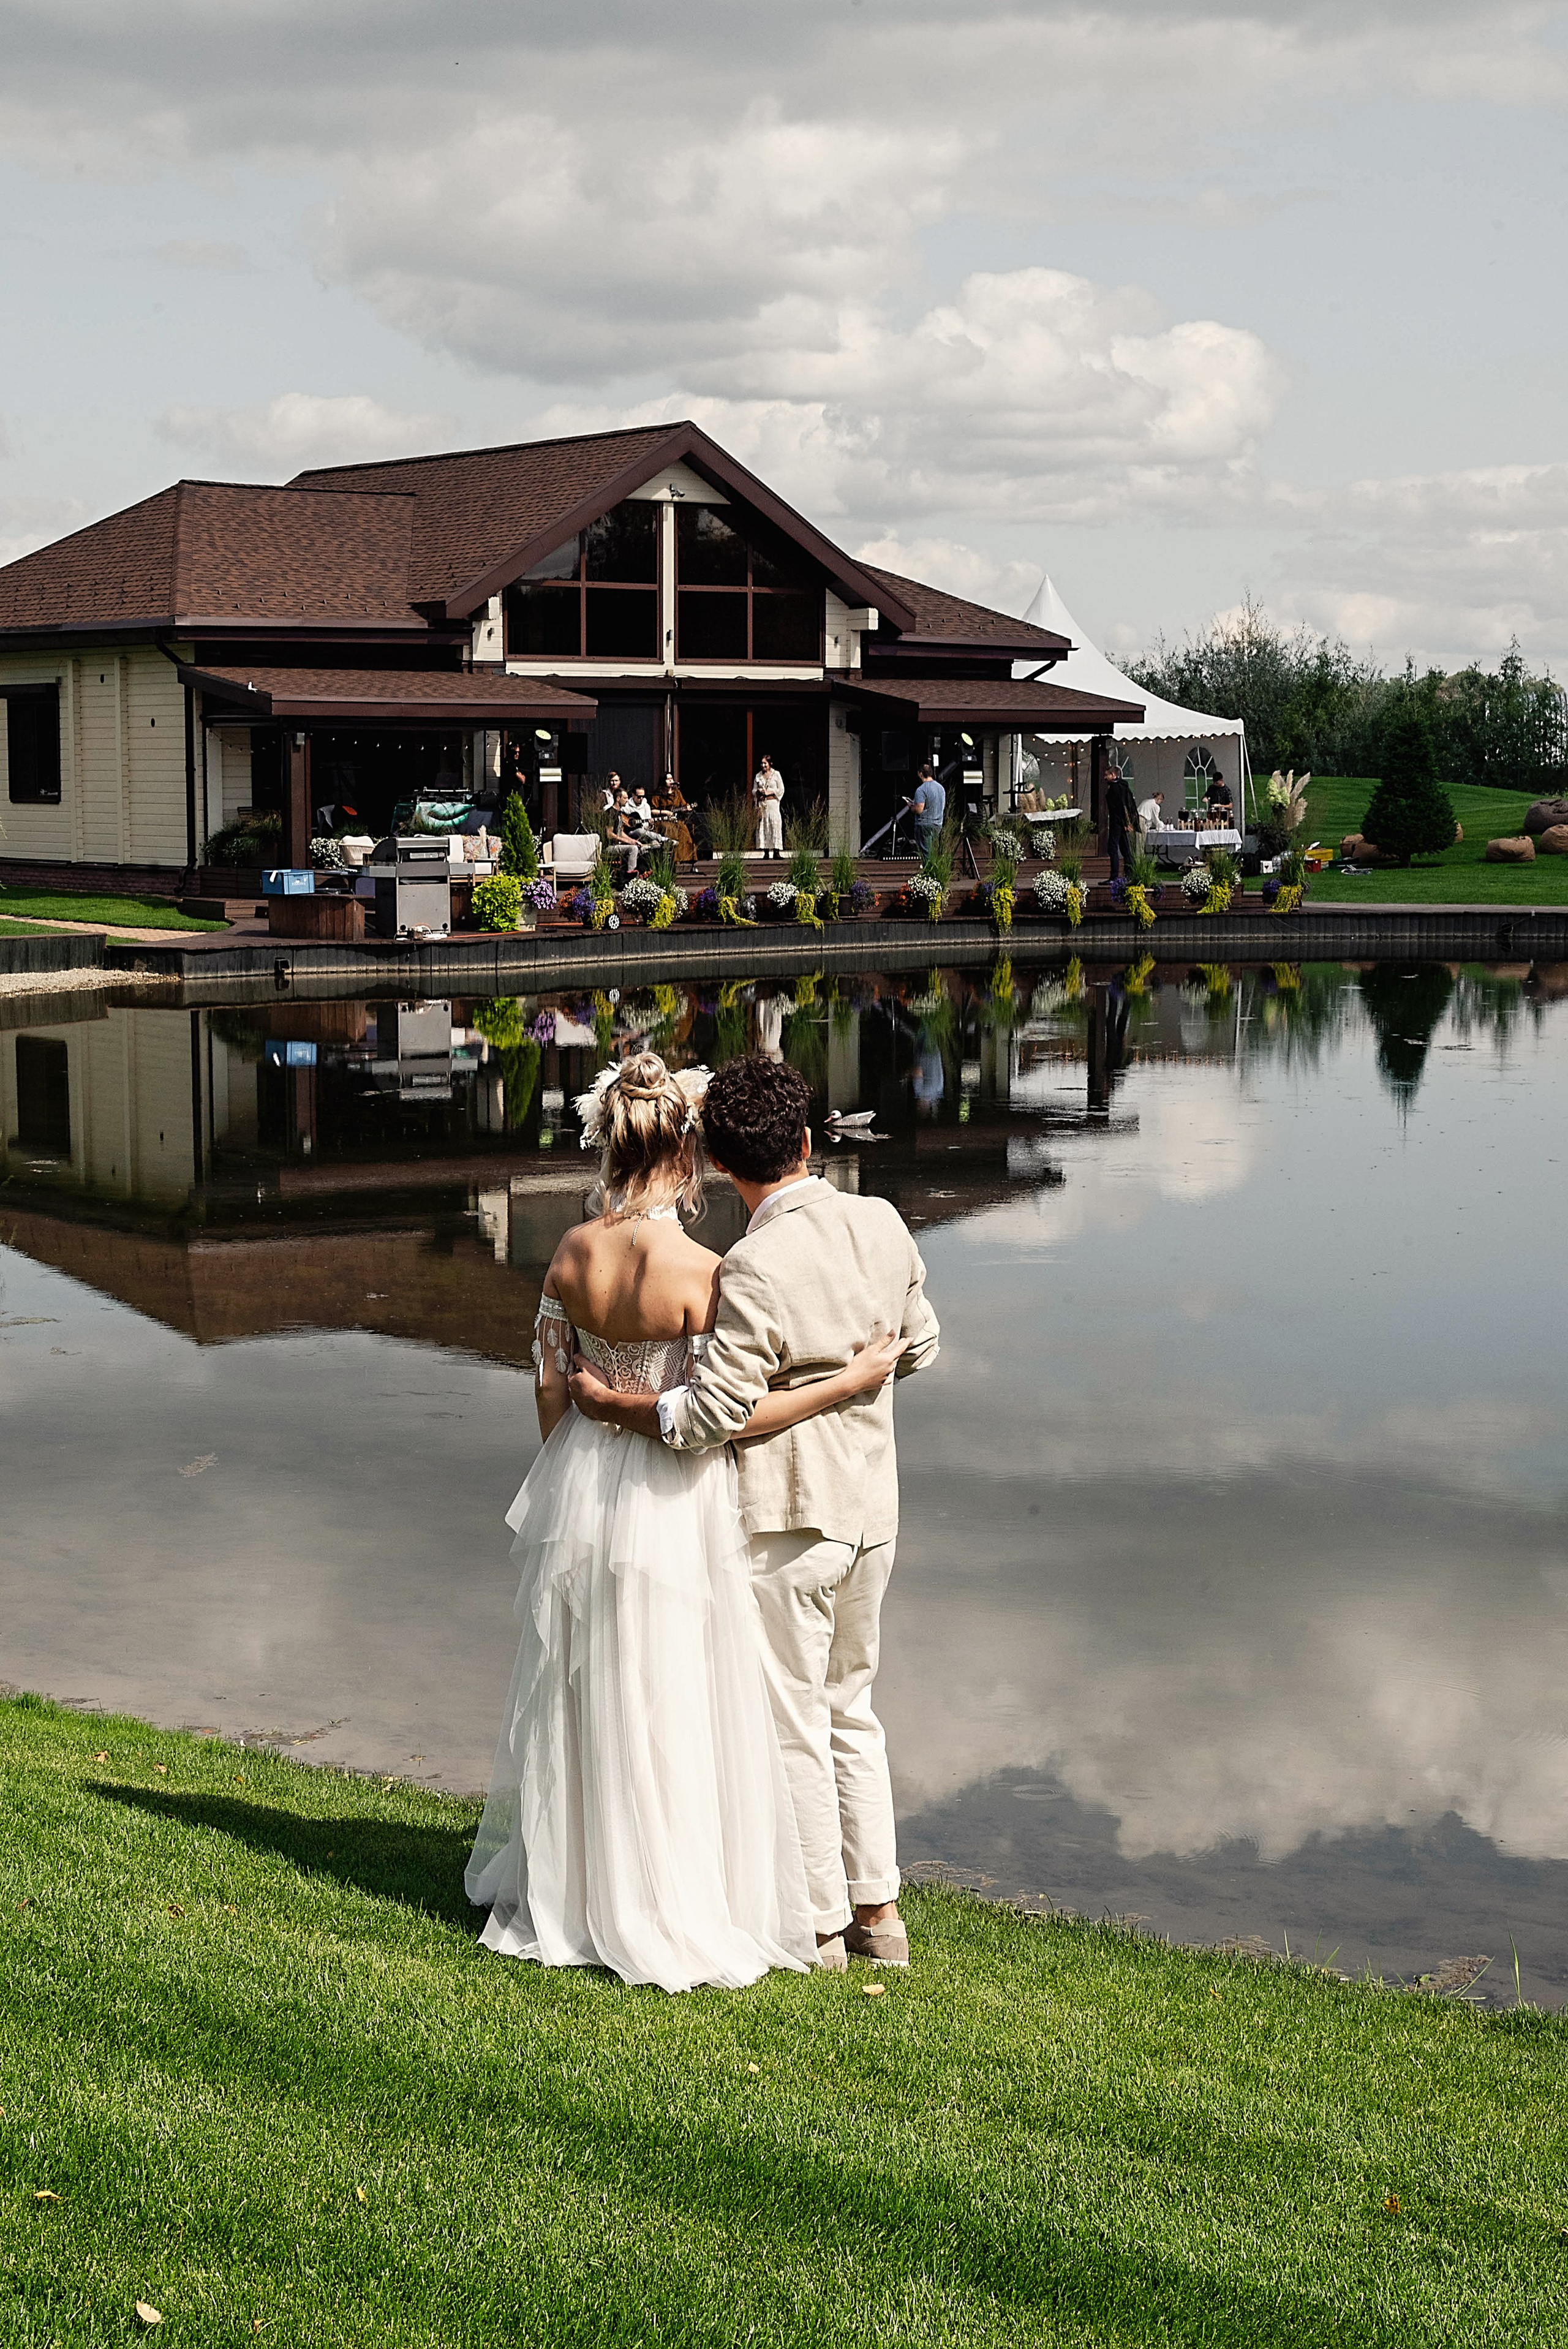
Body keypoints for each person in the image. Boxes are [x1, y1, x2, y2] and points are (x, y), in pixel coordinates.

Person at [466, 1053, 907, 1993]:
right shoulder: (710, 1269)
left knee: (590, 1691)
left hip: (583, 1483)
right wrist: (848, 1379)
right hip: (681, 1490)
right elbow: (727, 1414)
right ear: (687, 1154)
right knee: (677, 1696)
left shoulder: (569, 1254)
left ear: (607, 1147)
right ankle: (686, 1892)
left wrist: (570, 1481)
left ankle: (581, 1884)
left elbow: (551, 1381)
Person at [571, 1055, 941, 1972]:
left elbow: (709, 1419)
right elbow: (923, 1345)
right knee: (853, 1710)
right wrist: (860, 1367)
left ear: (724, 1165)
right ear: (809, 1142)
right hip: (873, 1514)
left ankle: (818, 1927)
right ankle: (882, 1915)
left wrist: (623, 1407)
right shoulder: (884, 1222)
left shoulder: (751, 1264)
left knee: (793, 1724)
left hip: (789, 1521)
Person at [1106, 764, 1139, 881]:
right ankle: (1130, 873)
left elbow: (1121, 806)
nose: (1105, 778)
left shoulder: (1116, 788)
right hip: (1120, 821)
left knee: (1113, 848)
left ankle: (1114, 875)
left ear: (1113, 775)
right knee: (1125, 848)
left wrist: (1126, 822)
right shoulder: (1122, 786)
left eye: (1107, 775)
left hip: (1117, 821)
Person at [906, 763, 945, 858]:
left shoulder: (921, 790)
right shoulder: (941, 788)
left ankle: (928, 871)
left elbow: (919, 809)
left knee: (926, 853)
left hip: (925, 825)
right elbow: (943, 805)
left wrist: (911, 807)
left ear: (920, 774)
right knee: (933, 851)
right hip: (938, 824)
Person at [754, 753, 785, 859]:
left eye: (765, 763)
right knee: (764, 826)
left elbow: (781, 790)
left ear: (770, 764)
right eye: (762, 763)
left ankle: (777, 851)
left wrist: (770, 792)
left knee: (774, 825)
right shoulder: (758, 776)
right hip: (763, 804)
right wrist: (758, 792)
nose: (763, 765)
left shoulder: (776, 775)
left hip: (773, 805)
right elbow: (753, 790)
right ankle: (766, 852)